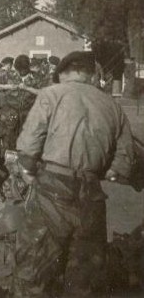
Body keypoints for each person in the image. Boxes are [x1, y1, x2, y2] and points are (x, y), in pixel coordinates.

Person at [15, 51, 136, 297]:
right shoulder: (112, 105)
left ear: (65, 72)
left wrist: (28, 171)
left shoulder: (51, 94)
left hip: (51, 189)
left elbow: (28, 147)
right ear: (91, 74)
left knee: (33, 272)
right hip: (91, 197)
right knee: (84, 280)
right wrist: (99, 173)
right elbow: (123, 163)